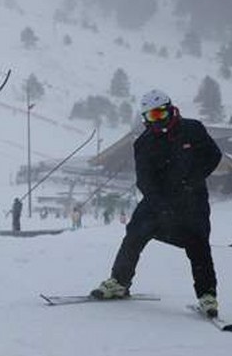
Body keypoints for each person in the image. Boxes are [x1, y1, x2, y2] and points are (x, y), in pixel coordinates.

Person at [91, 89, 223, 317]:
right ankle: (119, 282)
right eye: (152, 117)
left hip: (193, 199)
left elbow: (213, 156)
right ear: (145, 119)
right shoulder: (144, 143)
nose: (159, 120)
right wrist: (161, 205)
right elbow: (144, 179)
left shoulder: (193, 130)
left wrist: (192, 181)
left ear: (171, 110)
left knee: (198, 244)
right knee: (134, 233)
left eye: (161, 113)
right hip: (158, 200)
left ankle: (207, 296)